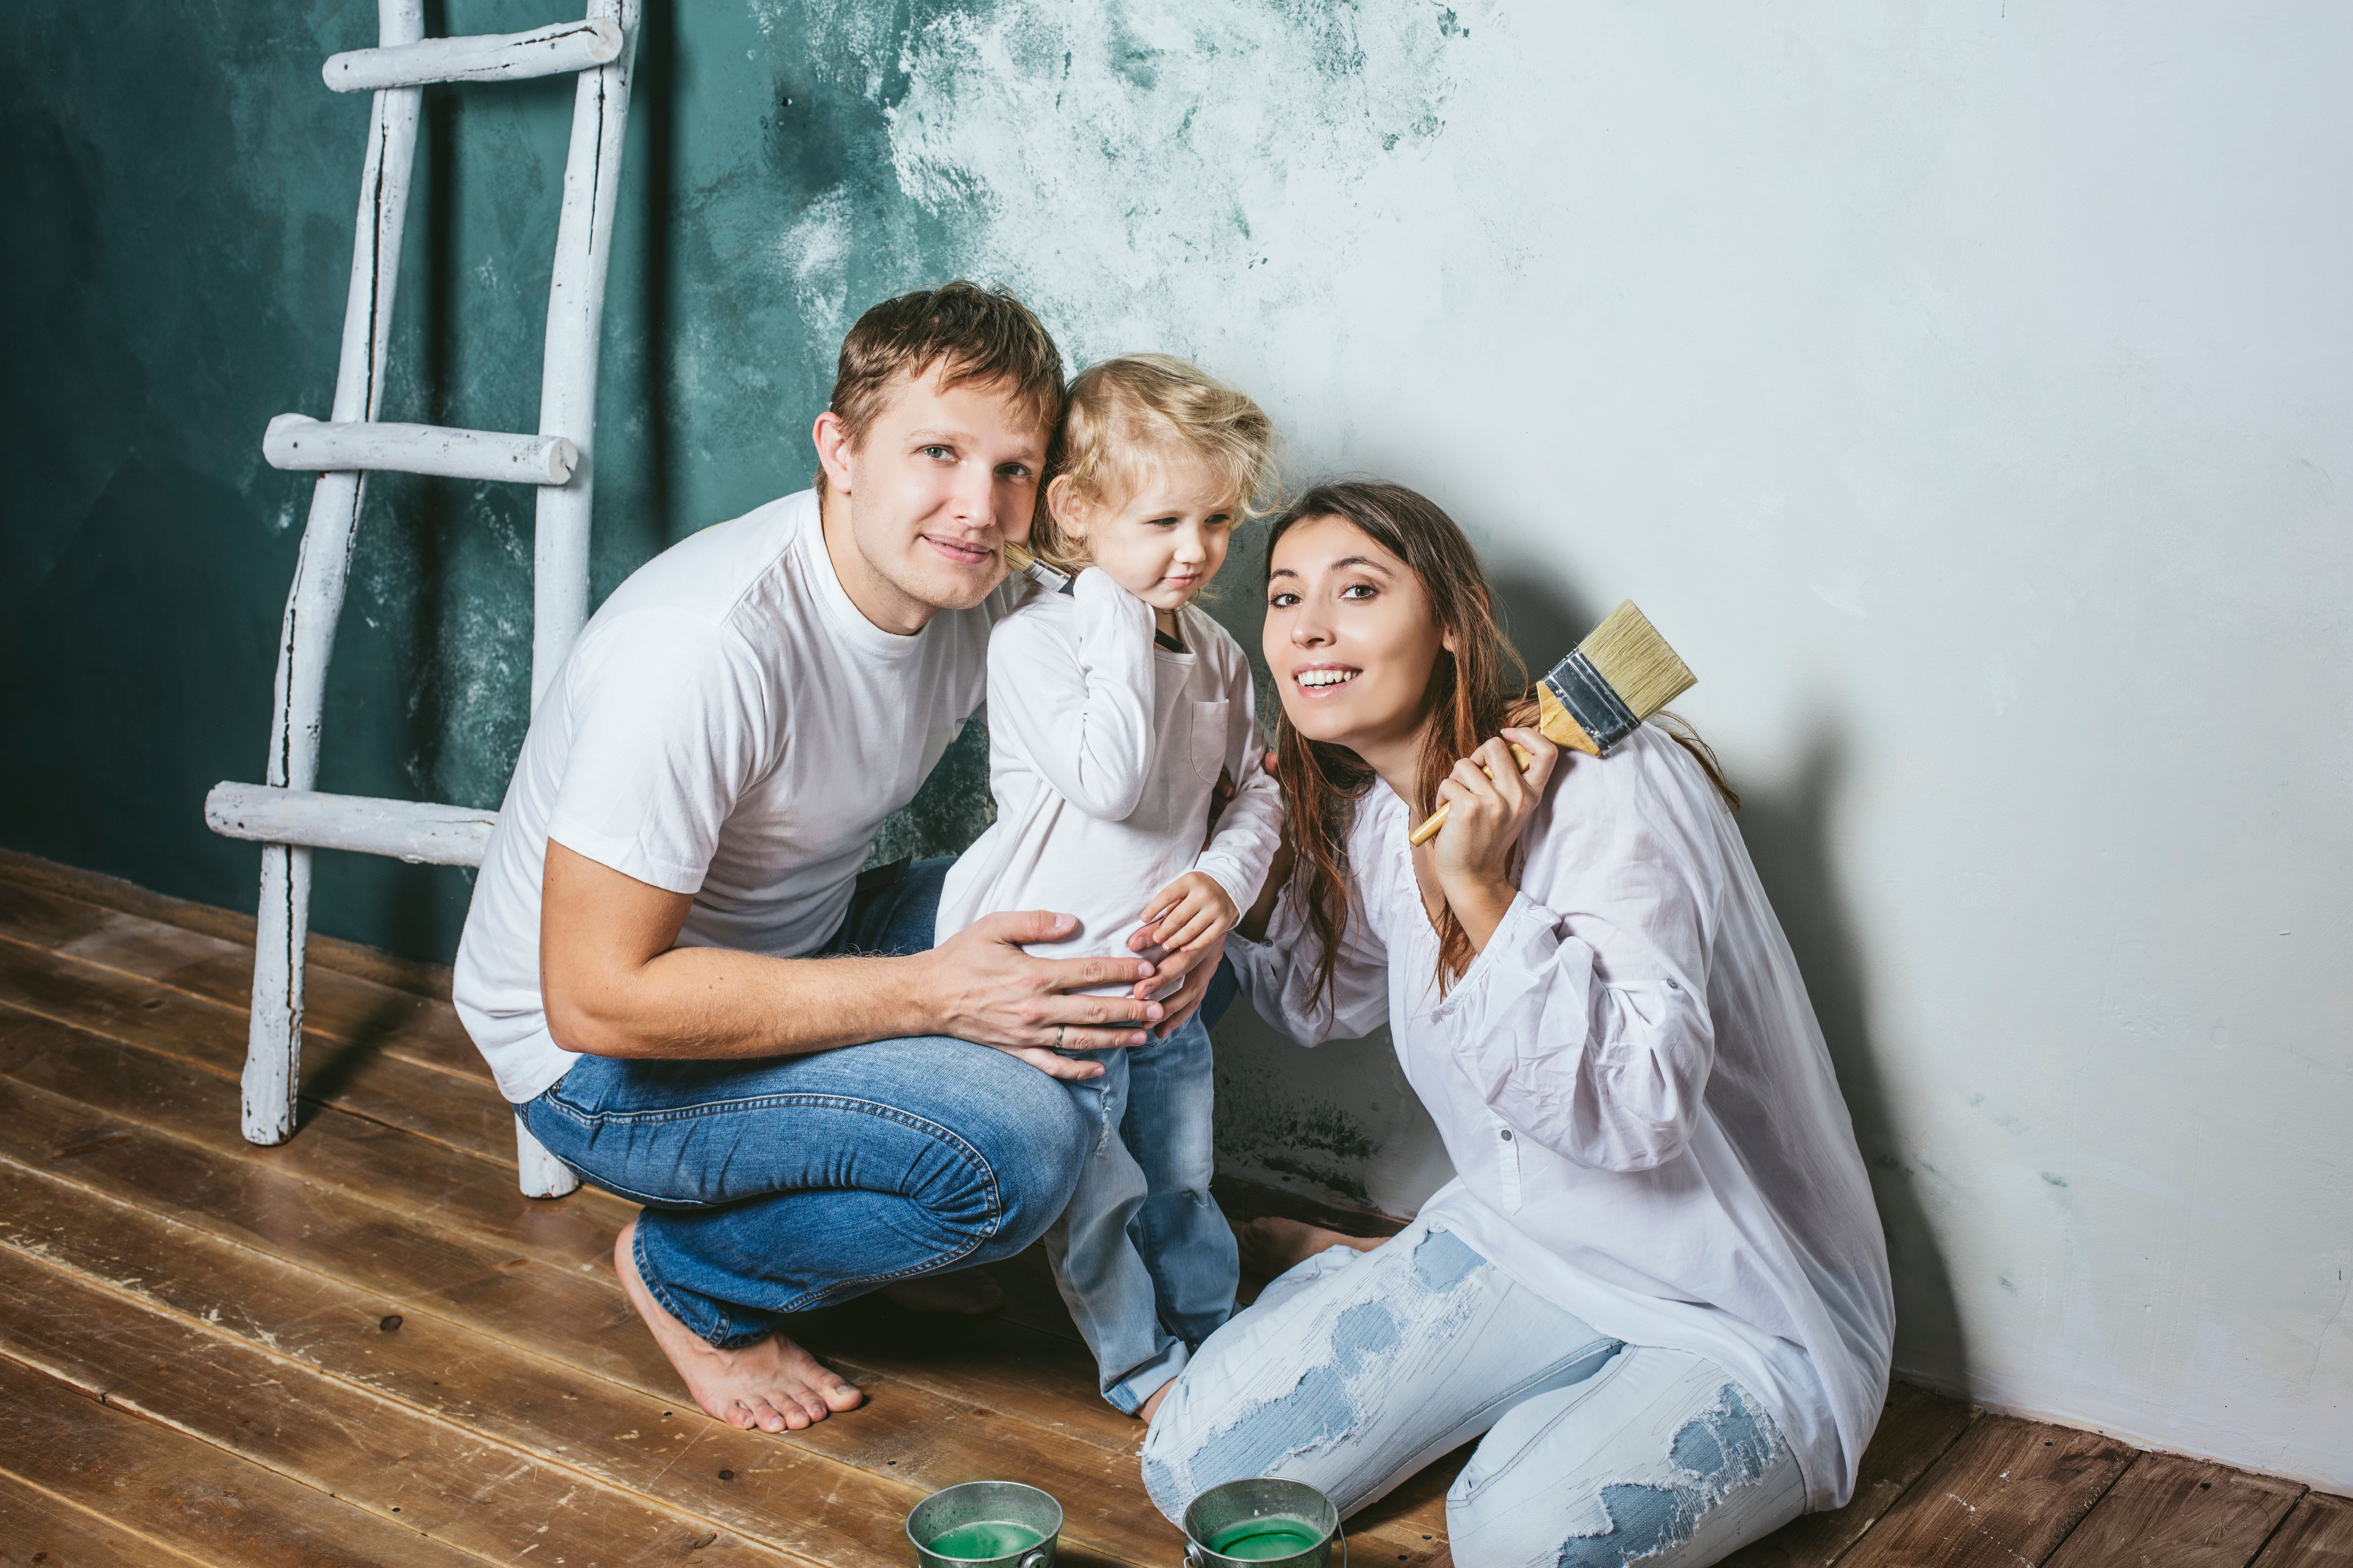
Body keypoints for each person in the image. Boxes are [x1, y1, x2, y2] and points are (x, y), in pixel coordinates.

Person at [450, 283, 1227, 1437]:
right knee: (1017, 1152)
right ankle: (694, 1279)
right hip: (601, 1064)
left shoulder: (978, 580)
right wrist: (936, 994)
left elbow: (1168, 641)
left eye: (1014, 470)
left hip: (800, 940)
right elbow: (596, 996)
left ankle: (892, 1209)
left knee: (1132, 955)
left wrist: (1221, 885)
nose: (979, 505)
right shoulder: (702, 651)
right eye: (938, 453)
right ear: (841, 449)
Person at [1140, 483, 1894, 1568]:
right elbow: (1328, 1000)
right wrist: (1223, 857)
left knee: (1518, 1541)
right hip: (1524, 1237)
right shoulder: (1382, 819)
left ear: (1450, 623)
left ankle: (1508, 1396)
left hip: (1727, 1294)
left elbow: (1639, 1115)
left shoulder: (1614, 786)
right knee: (1199, 1466)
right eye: (1285, 597)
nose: (1306, 628)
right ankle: (1388, 1289)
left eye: (1357, 591)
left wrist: (1483, 890)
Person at [933, 355, 1284, 1422]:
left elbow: (1259, 795)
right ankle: (1142, 1370)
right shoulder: (1037, 640)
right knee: (1100, 1195)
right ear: (1077, 514)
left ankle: (1210, 1333)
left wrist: (1223, 885)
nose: (1199, 552)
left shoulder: (1218, 652)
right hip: (1057, 984)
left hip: (1159, 981)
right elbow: (1114, 780)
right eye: (1166, 521)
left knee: (1182, 1172)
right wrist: (1110, 608)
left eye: (1219, 521)